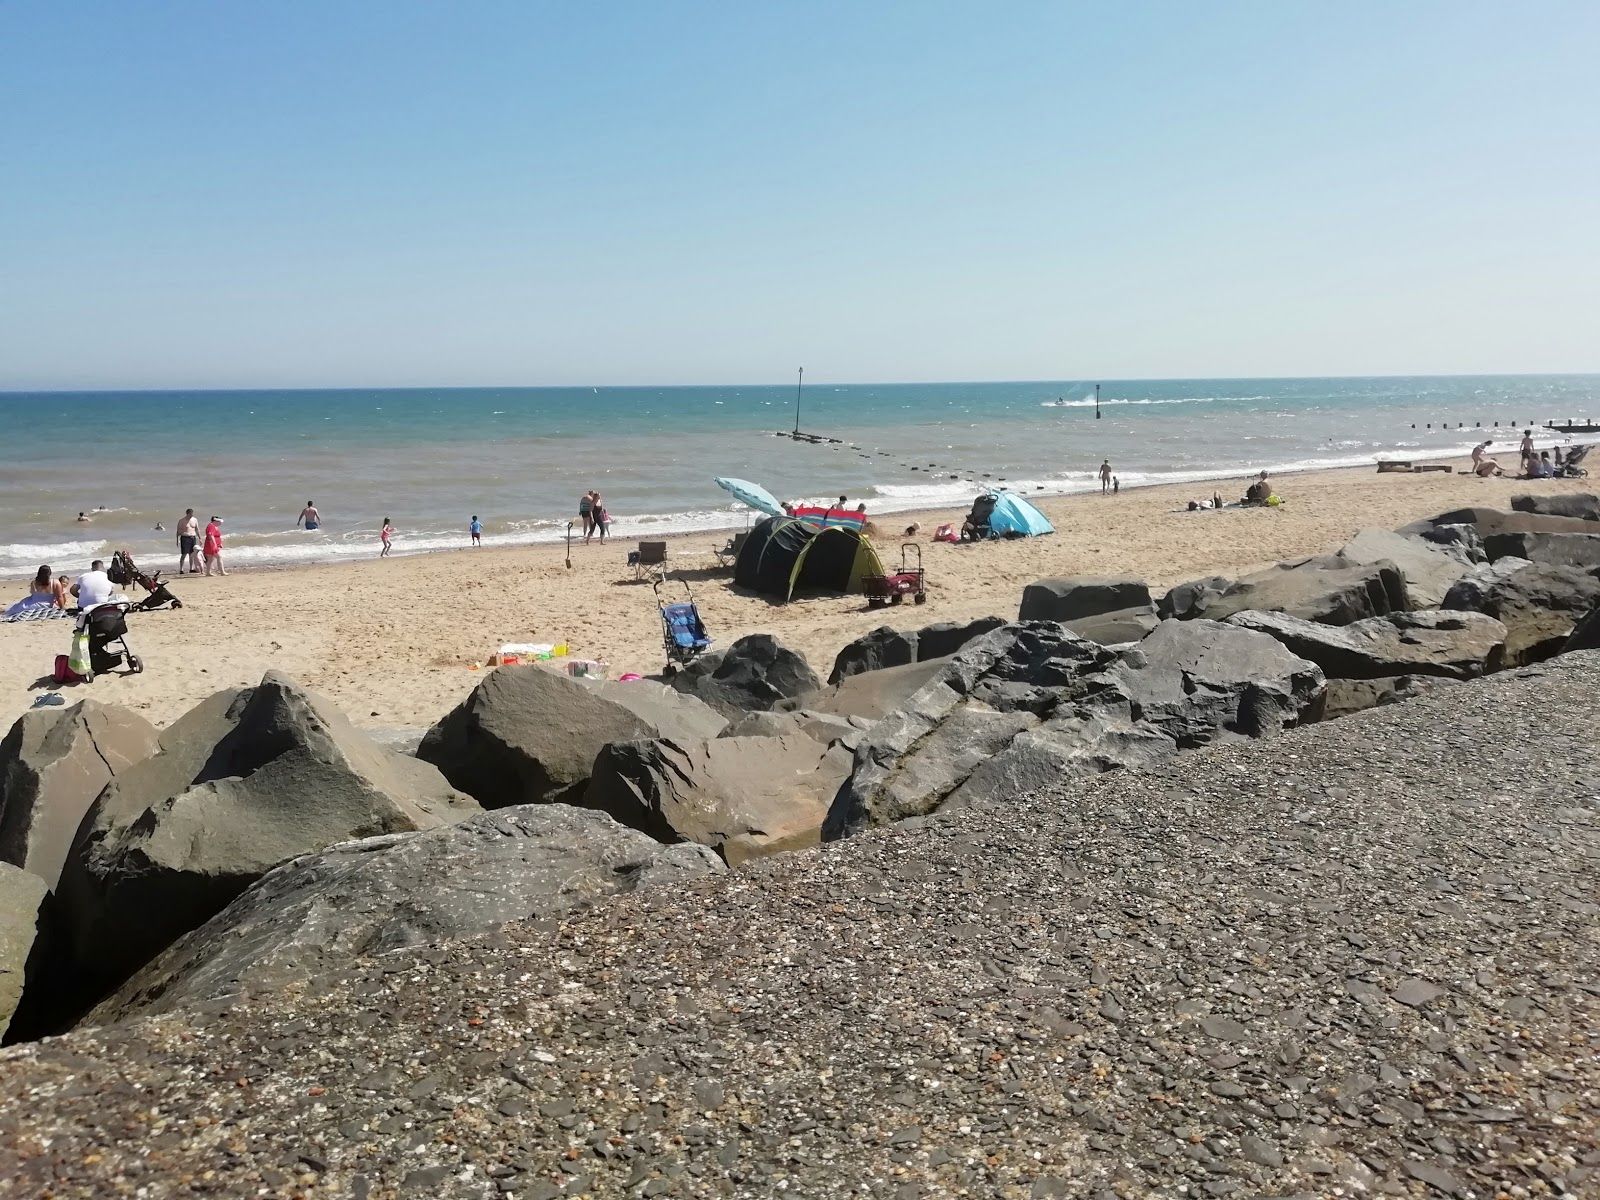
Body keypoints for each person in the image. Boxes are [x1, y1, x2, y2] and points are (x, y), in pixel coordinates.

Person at [176, 508, 202, 574]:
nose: (191, 516)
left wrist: (200, 538)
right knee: (184, 554)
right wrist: (177, 540)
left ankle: (191, 568)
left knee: (192, 554)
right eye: (190, 514)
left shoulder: (195, 519)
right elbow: (178, 531)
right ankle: (181, 569)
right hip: (185, 538)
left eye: (192, 514)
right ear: (187, 514)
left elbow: (197, 529)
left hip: (193, 538)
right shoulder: (181, 521)